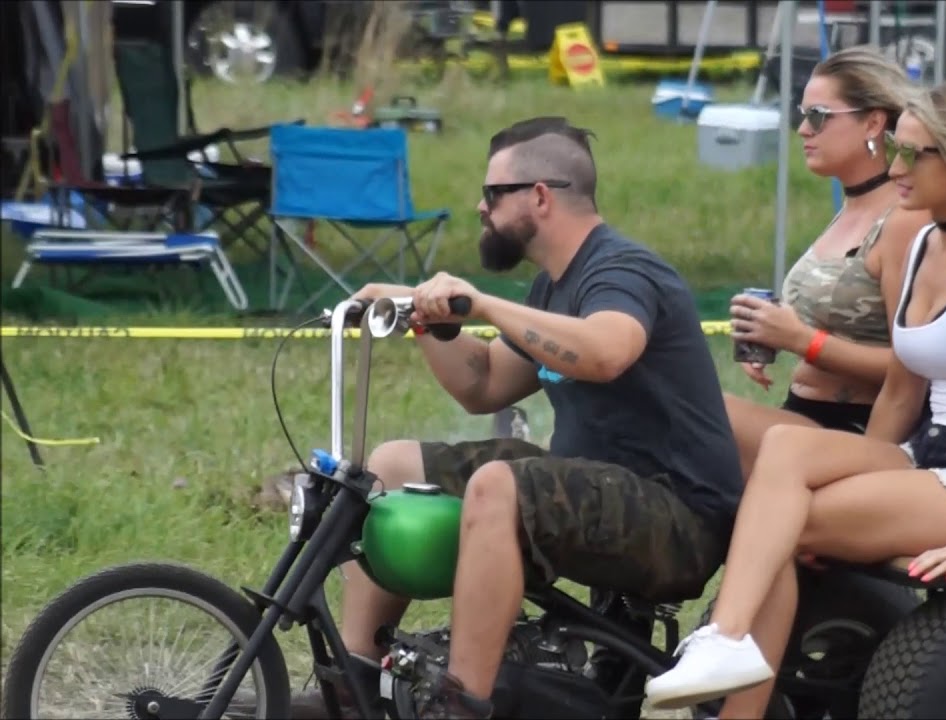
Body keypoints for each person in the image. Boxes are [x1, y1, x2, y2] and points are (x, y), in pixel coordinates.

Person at [644, 79, 946, 716]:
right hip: (930, 452)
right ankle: (726, 641)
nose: (895, 166)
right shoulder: (923, 244)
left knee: (785, 518)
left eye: (914, 154)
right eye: (894, 147)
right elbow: (904, 386)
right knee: (785, 453)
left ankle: (729, 653)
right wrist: (852, 470)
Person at [290, 116, 744, 719]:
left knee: (500, 487)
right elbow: (483, 384)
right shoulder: (551, 288)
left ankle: (462, 703)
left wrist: (482, 303)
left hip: (678, 515)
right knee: (393, 467)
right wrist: (420, 314)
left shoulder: (622, 270)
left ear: (540, 196)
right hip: (598, 484)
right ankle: (354, 685)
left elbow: (606, 351)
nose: (480, 207)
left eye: (493, 193)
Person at [724, 45, 932, 480]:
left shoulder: (902, 221)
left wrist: (803, 341)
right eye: (802, 115)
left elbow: (913, 369)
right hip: (804, 418)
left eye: (818, 116)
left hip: (855, 434)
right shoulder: (852, 208)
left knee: (689, 411)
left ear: (873, 122)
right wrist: (770, 334)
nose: (802, 129)